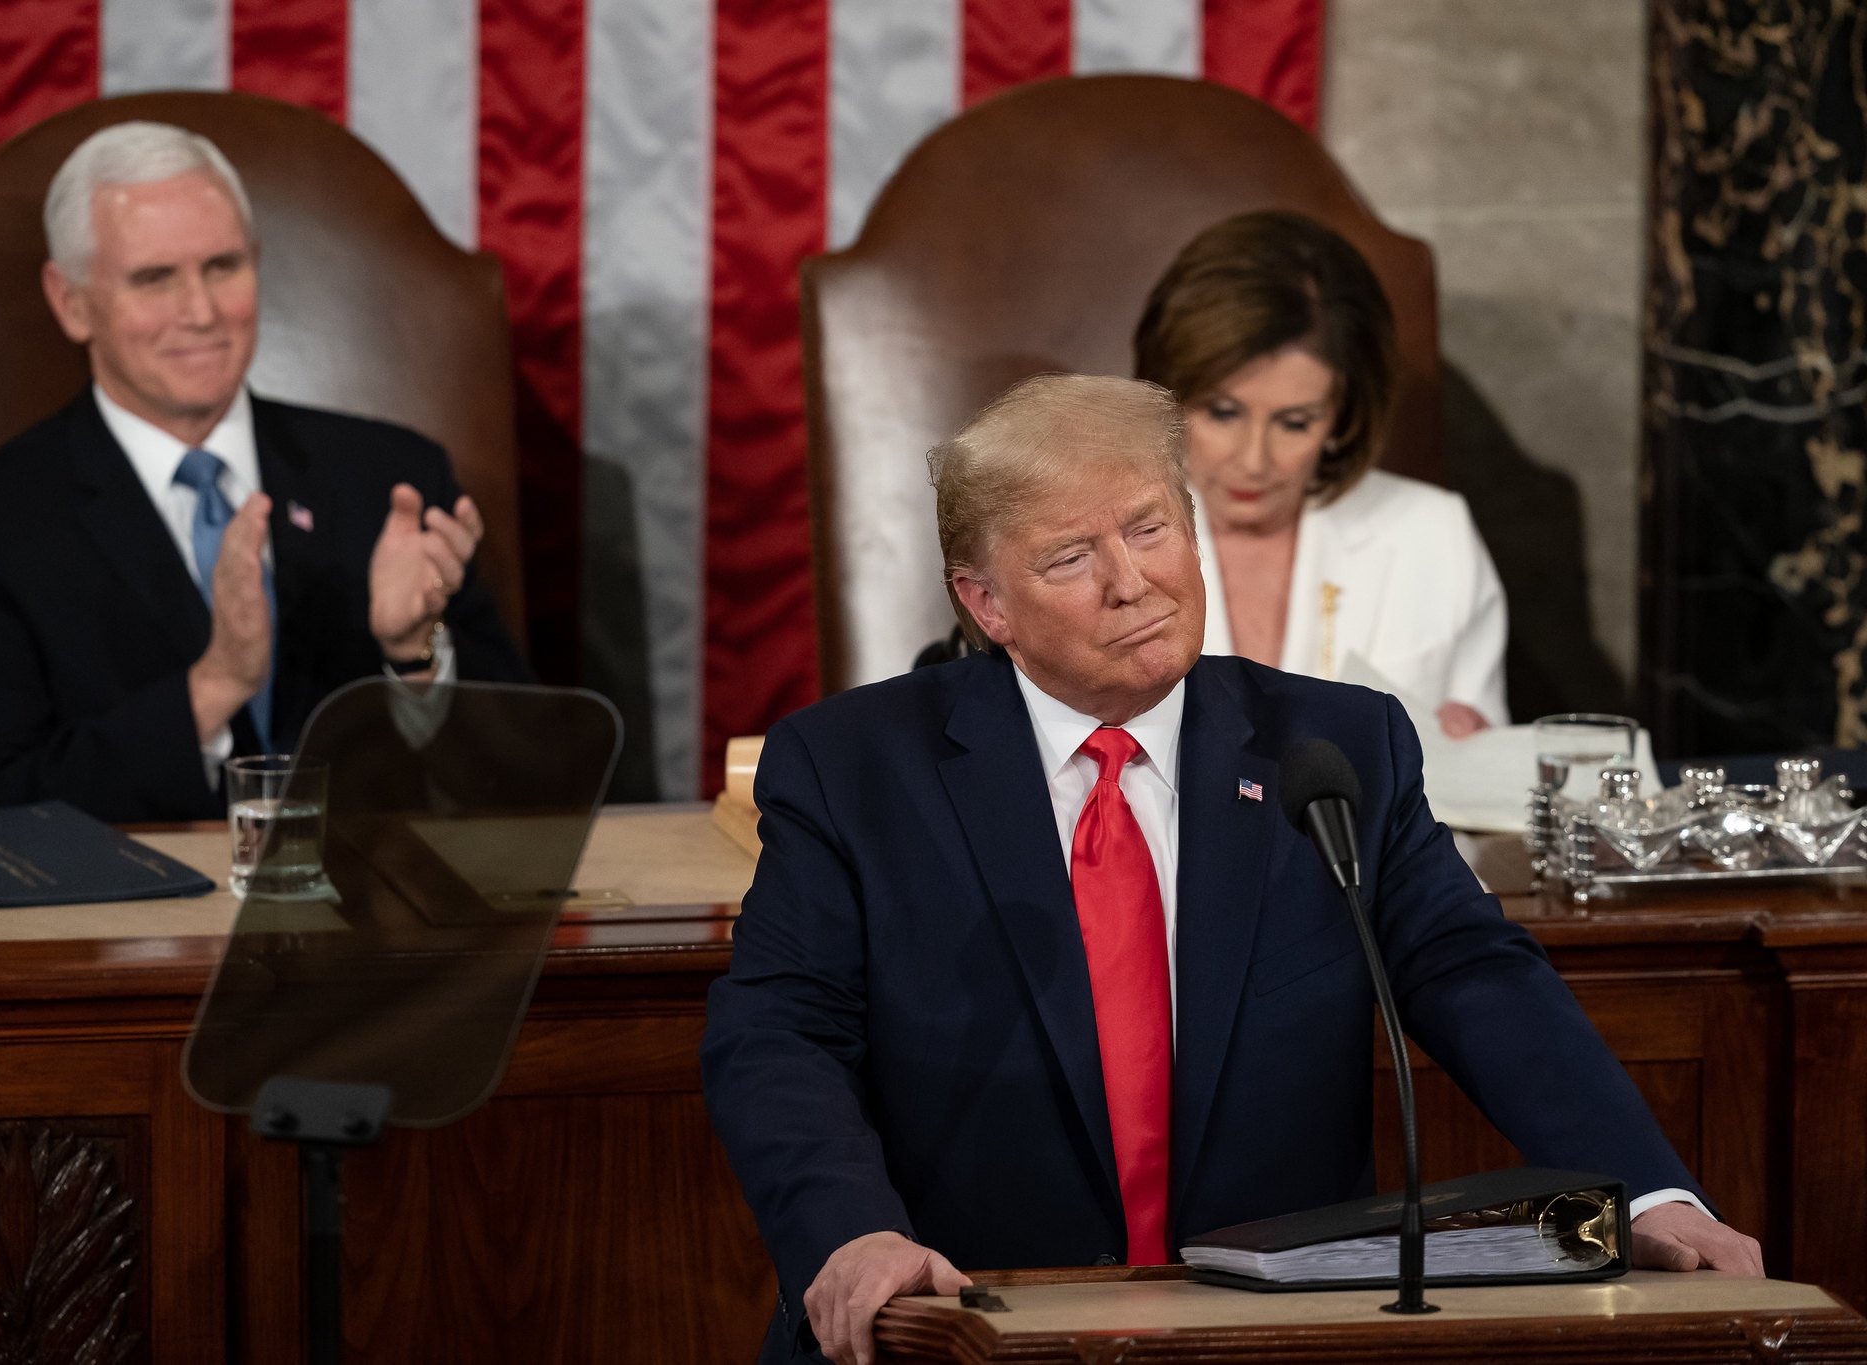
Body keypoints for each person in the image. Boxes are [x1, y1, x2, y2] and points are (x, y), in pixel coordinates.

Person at [701, 375, 1759, 1365]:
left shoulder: (1334, 747)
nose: (1131, 583)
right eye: (1069, 558)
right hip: (958, 1322)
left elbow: (1469, 970)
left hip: (1267, 1333)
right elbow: (777, 1029)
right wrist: (849, 1236)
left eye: (1150, 528)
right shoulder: (852, 769)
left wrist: (1654, 1196)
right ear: (986, 604)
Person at [0, 121, 528, 822]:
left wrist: (415, 657)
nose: (200, 312)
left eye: (223, 266)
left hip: (375, 915)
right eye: (154, 278)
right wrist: (215, 683)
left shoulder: (393, 481)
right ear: (71, 301)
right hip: (123, 926)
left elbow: (523, 774)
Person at [1133, 209, 1504, 738]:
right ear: (1171, 394)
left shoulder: (1434, 536)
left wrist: (1473, 755)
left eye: (1294, 422)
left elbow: (1488, 791)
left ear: (1343, 417)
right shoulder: (1093, 540)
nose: (1254, 460)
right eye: (1223, 413)